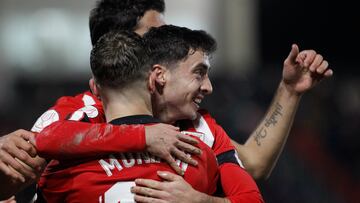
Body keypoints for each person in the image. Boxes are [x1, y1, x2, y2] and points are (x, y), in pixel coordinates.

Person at [0, 0, 333, 200]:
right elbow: (12, 181)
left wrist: (288, 92)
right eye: (153, 34)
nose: (165, 42)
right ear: (119, 45)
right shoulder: (68, 116)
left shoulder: (193, 123)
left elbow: (254, 167)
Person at [38, 26, 263, 202]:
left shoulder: (204, 127)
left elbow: (49, 139)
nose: (209, 87)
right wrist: (145, 137)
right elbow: (48, 139)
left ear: (96, 87)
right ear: (156, 76)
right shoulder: (199, 155)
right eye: (199, 73)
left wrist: (200, 201)